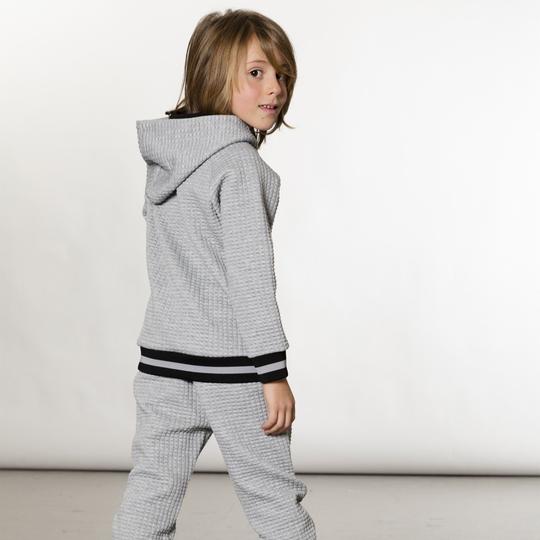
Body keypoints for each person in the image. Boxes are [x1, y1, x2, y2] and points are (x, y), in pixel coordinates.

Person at [112, 8, 317, 540]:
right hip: (233, 369)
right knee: (273, 500)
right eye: (256, 72)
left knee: (150, 493)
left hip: (162, 363)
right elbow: (250, 279)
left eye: (282, 75)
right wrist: (272, 374)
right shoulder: (239, 166)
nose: (275, 88)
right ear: (212, 74)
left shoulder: (166, 163)